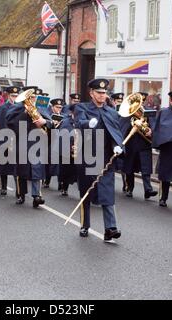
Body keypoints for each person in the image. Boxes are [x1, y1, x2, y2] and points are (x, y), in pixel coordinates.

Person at [74, 78, 123, 242]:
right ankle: (84, 224)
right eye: (99, 93)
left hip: (106, 158)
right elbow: (79, 123)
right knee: (86, 193)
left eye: (104, 93)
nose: (103, 96)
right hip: (88, 156)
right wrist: (89, 123)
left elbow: (116, 132)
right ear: (91, 93)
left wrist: (118, 146)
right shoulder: (83, 107)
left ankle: (110, 228)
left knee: (107, 194)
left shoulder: (111, 112)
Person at [6, 86, 53, 208]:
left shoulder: (40, 108)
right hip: (22, 143)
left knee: (37, 169)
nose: (33, 99)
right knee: (21, 170)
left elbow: (50, 122)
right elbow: (9, 123)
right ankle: (21, 194)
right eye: (31, 97)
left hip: (37, 143)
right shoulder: (16, 108)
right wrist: (24, 114)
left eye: (34, 97)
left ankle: (36, 195)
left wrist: (45, 122)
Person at [118, 92, 158, 200]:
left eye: (142, 102)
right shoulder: (128, 112)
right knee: (129, 168)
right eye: (139, 102)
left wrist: (151, 131)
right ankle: (129, 189)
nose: (140, 105)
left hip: (144, 144)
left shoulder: (148, 111)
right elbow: (122, 127)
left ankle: (148, 190)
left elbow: (154, 125)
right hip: (131, 144)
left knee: (146, 169)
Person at [43, 98, 65, 189]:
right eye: (57, 107)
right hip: (49, 141)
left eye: (60, 107)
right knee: (48, 162)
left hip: (60, 142)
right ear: (52, 107)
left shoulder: (64, 116)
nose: (59, 109)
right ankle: (47, 181)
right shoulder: (47, 116)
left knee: (60, 164)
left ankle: (61, 183)